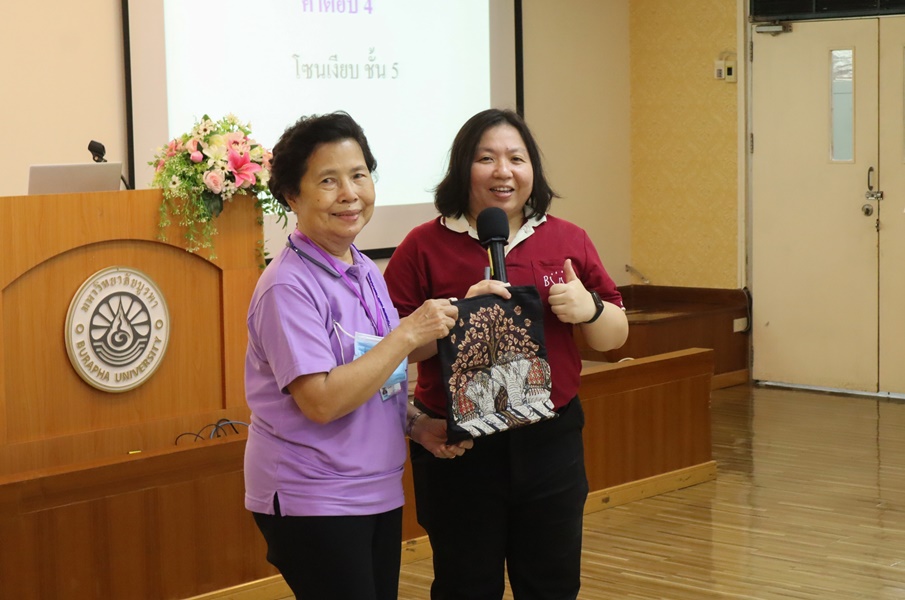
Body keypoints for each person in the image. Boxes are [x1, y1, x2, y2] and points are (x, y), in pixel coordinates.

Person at [384, 108, 629, 599]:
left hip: (549, 439)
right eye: (486, 158)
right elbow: (391, 349)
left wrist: (591, 308)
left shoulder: (567, 238)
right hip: (459, 444)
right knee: (464, 585)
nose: (503, 171)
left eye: (516, 158)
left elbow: (615, 337)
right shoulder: (423, 245)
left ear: (532, 168)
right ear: (462, 168)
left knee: (552, 584)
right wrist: (459, 316)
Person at [243, 111, 469, 600]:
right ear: (292, 196)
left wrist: (414, 423)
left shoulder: (362, 267)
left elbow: (374, 369)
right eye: (328, 180)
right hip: (313, 495)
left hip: (375, 489)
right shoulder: (287, 286)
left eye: (359, 175)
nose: (350, 193)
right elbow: (322, 401)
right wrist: (407, 333)